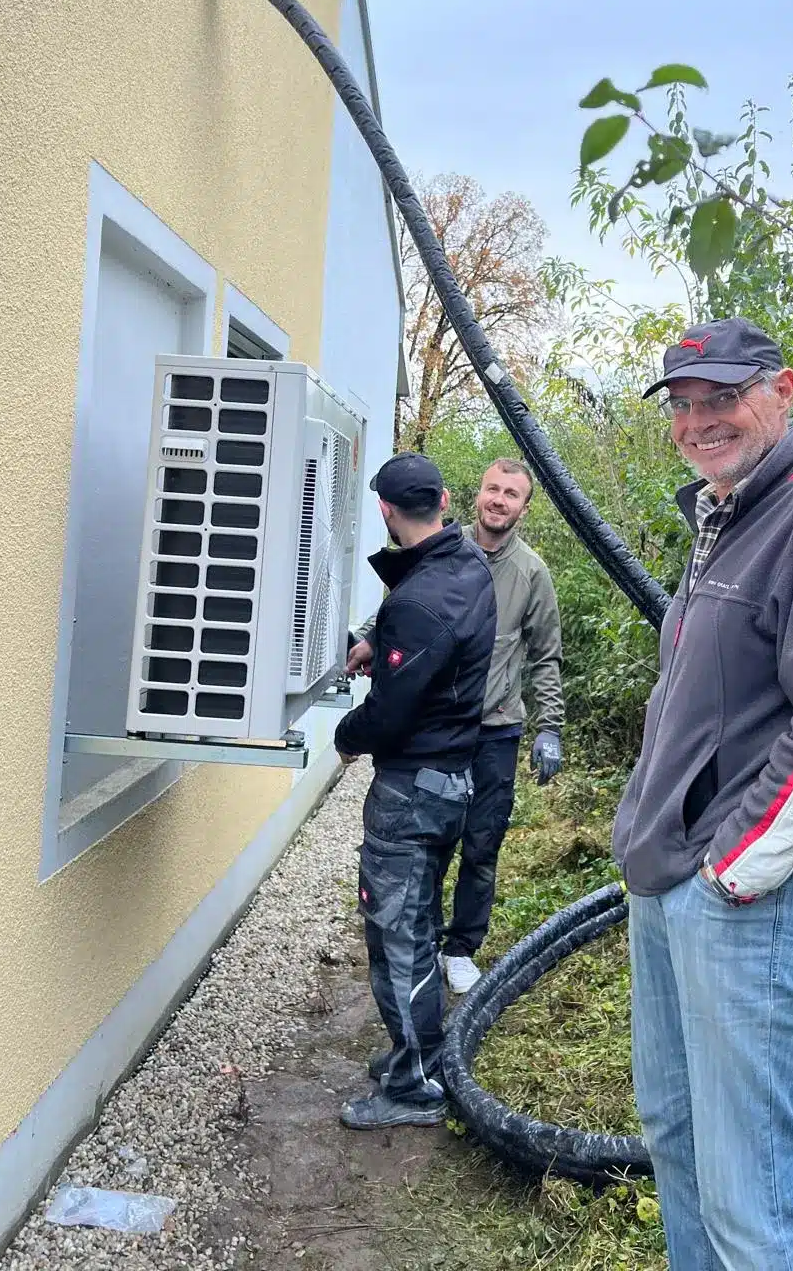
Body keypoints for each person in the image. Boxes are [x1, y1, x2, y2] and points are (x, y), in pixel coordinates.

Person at [611, 317, 793, 1270]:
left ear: (782, 390)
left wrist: (731, 874)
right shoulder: (725, 511)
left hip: (748, 901)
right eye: (685, 404)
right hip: (670, 886)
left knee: (751, 1197)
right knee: (679, 1140)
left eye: (724, 397)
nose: (701, 421)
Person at [348, 458, 565, 995]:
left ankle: (462, 947)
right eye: (492, 487)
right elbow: (404, 612)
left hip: (493, 729)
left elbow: (544, 657)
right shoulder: (446, 552)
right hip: (441, 726)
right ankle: (423, 935)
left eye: (512, 493)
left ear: (524, 506)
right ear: (469, 496)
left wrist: (549, 727)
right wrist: (372, 639)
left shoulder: (531, 574)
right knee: (429, 840)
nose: (499, 499)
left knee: (482, 842)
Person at [334, 451, 496, 1131]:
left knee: (398, 933)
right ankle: (417, 1052)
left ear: (386, 511)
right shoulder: (468, 568)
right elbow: (429, 657)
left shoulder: (418, 600)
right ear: (447, 499)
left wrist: (346, 732)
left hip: (412, 790)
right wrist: (385, 647)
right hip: (454, 778)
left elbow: (391, 715)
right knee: (420, 923)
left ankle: (416, 1085)